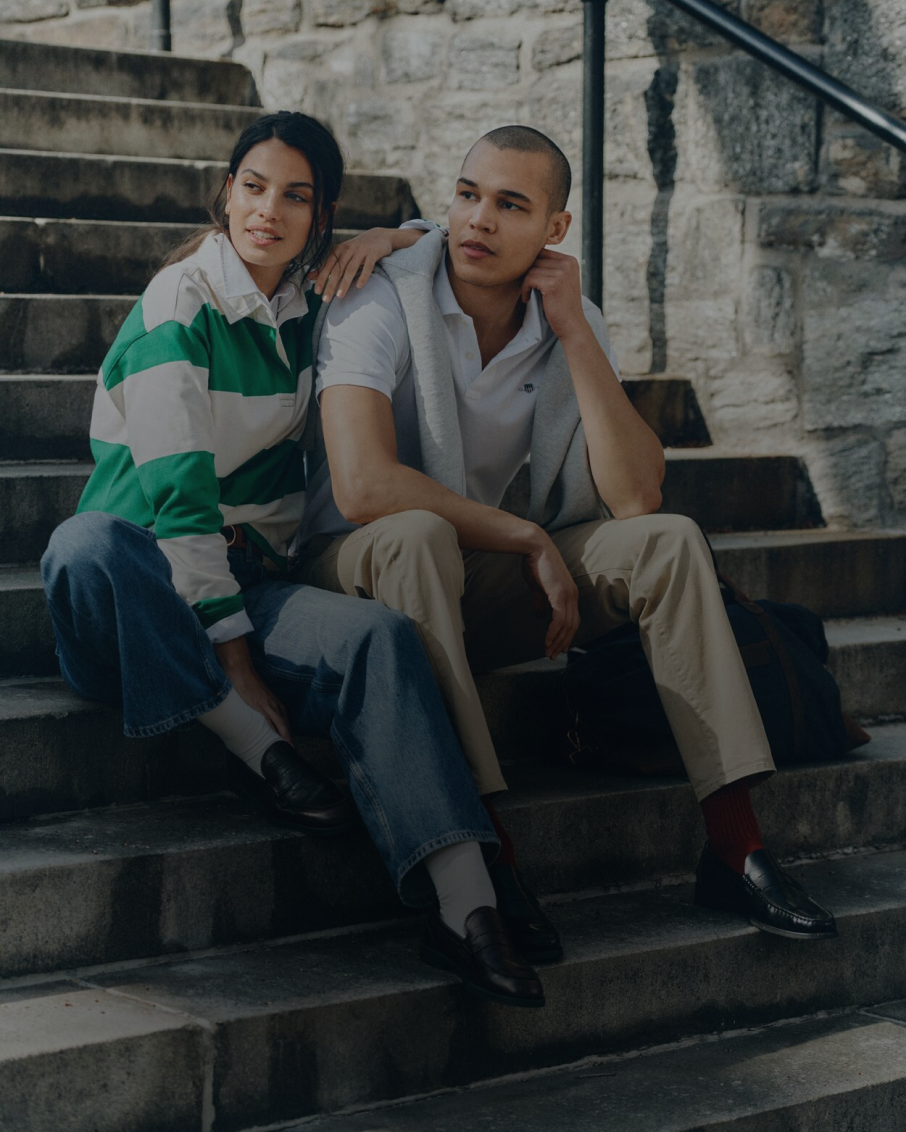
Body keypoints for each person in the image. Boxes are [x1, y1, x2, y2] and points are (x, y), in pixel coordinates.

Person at [40, 112, 545, 1009]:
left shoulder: (318, 302)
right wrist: (237, 663)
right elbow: (181, 500)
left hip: (252, 580)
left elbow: (446, 236)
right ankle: (252, 743)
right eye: (254, 186)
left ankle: (466, 908)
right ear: (225, 192)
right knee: (83, 546)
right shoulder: (177, 302)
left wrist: (393, 236)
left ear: (323, 216)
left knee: (380, 640)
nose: (269, 210)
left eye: (296, 196)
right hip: (136, 598)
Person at [293, 124, 838, 943]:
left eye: (511, 205)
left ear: (555, 230)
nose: (479, 220)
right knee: (414, 534)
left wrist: (578, 334)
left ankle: (736, 846)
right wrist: (526, 536)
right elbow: (363, 485)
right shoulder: (378, 296)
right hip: (361, 576)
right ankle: (486, 852)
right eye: (468, 194)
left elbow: (635, 495)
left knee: (670, 540)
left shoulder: (567, 314)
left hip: (484, 583)